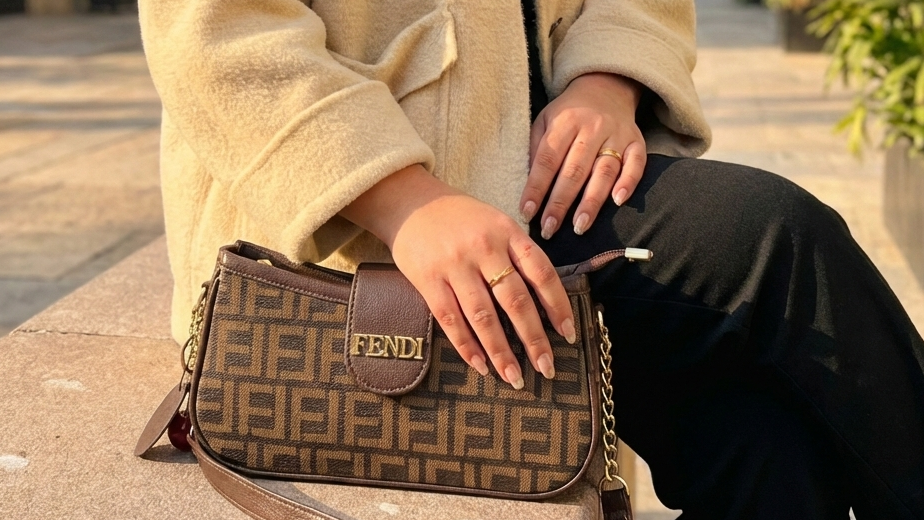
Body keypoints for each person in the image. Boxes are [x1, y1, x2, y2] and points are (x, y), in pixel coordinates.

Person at [137, 0, 924, 518]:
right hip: (348, 222)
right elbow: (216, 33)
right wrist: (407, 202)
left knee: (764, 441)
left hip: (541, 170)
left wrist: (607, 80)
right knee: (774, 238)